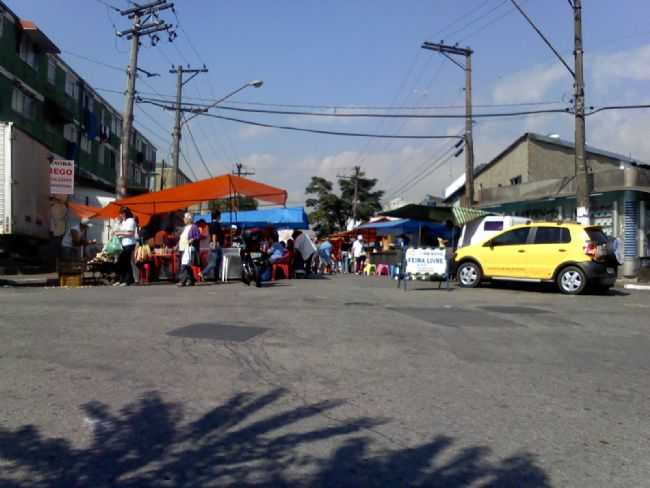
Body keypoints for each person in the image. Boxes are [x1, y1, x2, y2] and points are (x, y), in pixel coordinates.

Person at [113, 207, 137, 286]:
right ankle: (123, 279)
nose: (120, 215)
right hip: (123, 243)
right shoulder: (124, 221)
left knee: (126, 261)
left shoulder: (131, 220)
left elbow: (130, 233)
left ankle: (127, 280)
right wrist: (117, 231)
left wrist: (119, 233)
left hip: (129, 243)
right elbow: (122, 230)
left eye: (122, 213)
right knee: (122, 261)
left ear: (125, 213)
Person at [177, 212, 201, 287]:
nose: (184, 219)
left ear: (189, 219)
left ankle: (182, 280)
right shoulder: (184, 227)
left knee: (184, 264)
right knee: (187, 265)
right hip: (183, 248)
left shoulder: (194, 227)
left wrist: (192, 239)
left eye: (185, 218)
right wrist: (177, 246)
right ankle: (191, 280)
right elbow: (182, 237)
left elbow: (198, 236)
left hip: (189, 248)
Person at [200, 210, 225, 281]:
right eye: (220, 216)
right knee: (213, 263)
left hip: (216, 244)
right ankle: (202, 273)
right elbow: (214, 234)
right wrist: (214, 243)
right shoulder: (215, 224)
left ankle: (216, 278)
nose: (220, 217)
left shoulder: (210, 224)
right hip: (216, 244)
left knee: (218, 262)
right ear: (217, 216)